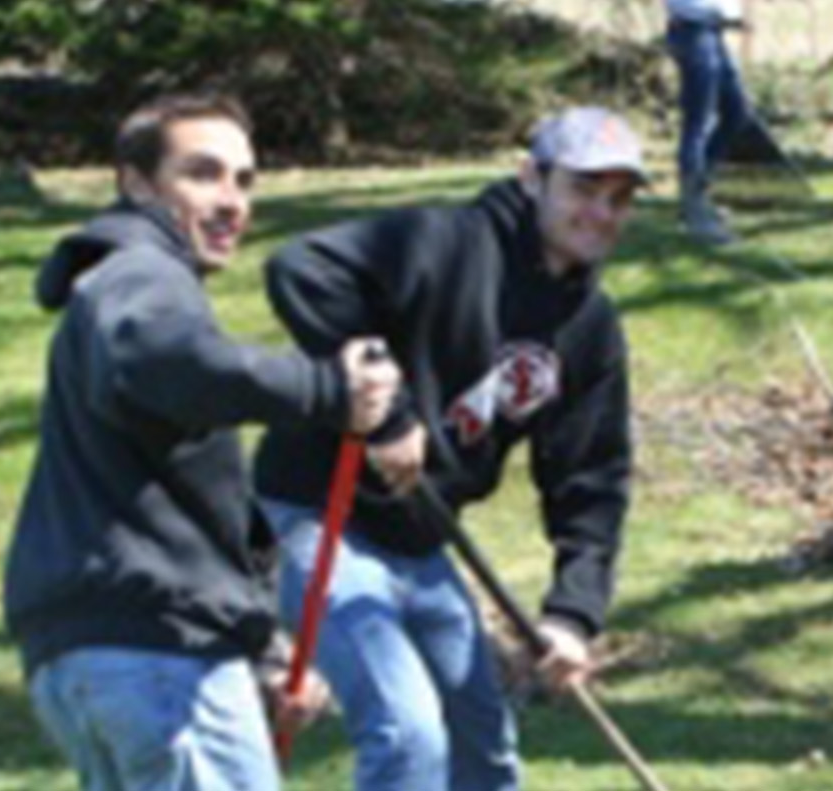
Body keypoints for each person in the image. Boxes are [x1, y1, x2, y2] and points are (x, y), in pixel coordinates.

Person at [4, 92, 399, 790]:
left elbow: (183, 498)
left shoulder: (116, 285)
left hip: (103, 652)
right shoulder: (140, 275)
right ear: (135, 183)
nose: (231, 201)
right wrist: (325, 390)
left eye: (244, 180)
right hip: (152, 656)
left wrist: (260, 650)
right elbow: (166, 362)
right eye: (203, 173)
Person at [252, 106, 645, 791]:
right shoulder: (441, 240)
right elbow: (302, 268)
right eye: (583, 189)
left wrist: (571, 614)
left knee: (483, 748)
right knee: (408, 736)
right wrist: (386, 413)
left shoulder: (589, 328)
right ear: (531, 177)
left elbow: (592, 477)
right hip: (323, 514)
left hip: (422, 534)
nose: (601, 213)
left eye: (617, 198)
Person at [665, 0, 753, 244]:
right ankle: (696, 216)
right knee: (698, 124)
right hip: (691, 29)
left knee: (736, 112)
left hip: (713, 30)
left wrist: (733, 13)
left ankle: (699, 194)